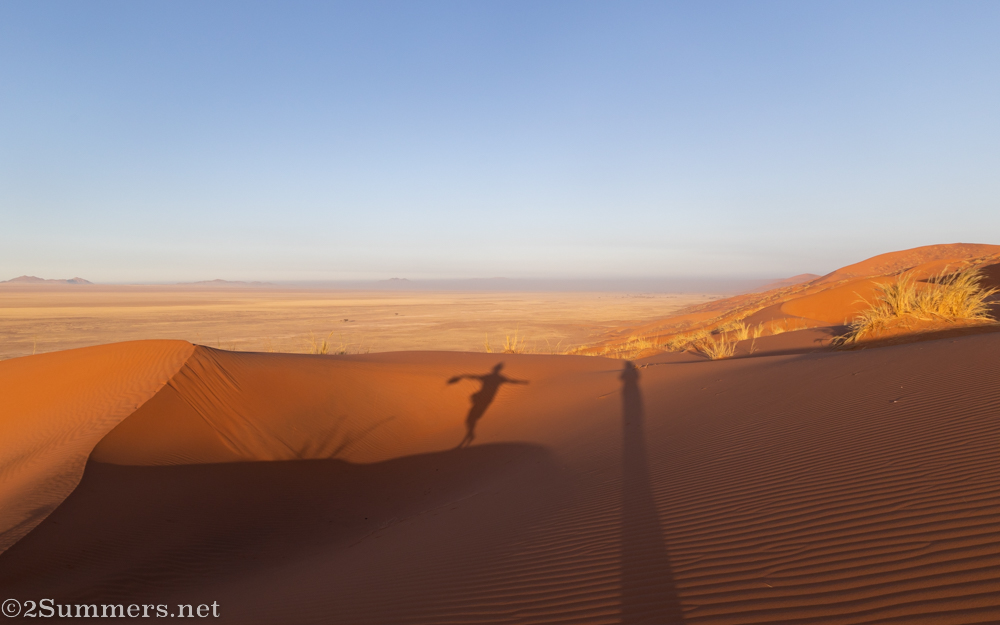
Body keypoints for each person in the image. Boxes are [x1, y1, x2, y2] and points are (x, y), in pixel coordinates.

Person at [448, 363, 528, 448]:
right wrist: (462, 376)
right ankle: (470, 435)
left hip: (483, 401)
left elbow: (512, 381)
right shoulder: (497, 377)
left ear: (494, 369)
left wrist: (462, 376)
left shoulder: (492, 377)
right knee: (471, 419)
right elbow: (511, 381)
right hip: (483, 400)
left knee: (471, 419)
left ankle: (470, 436)